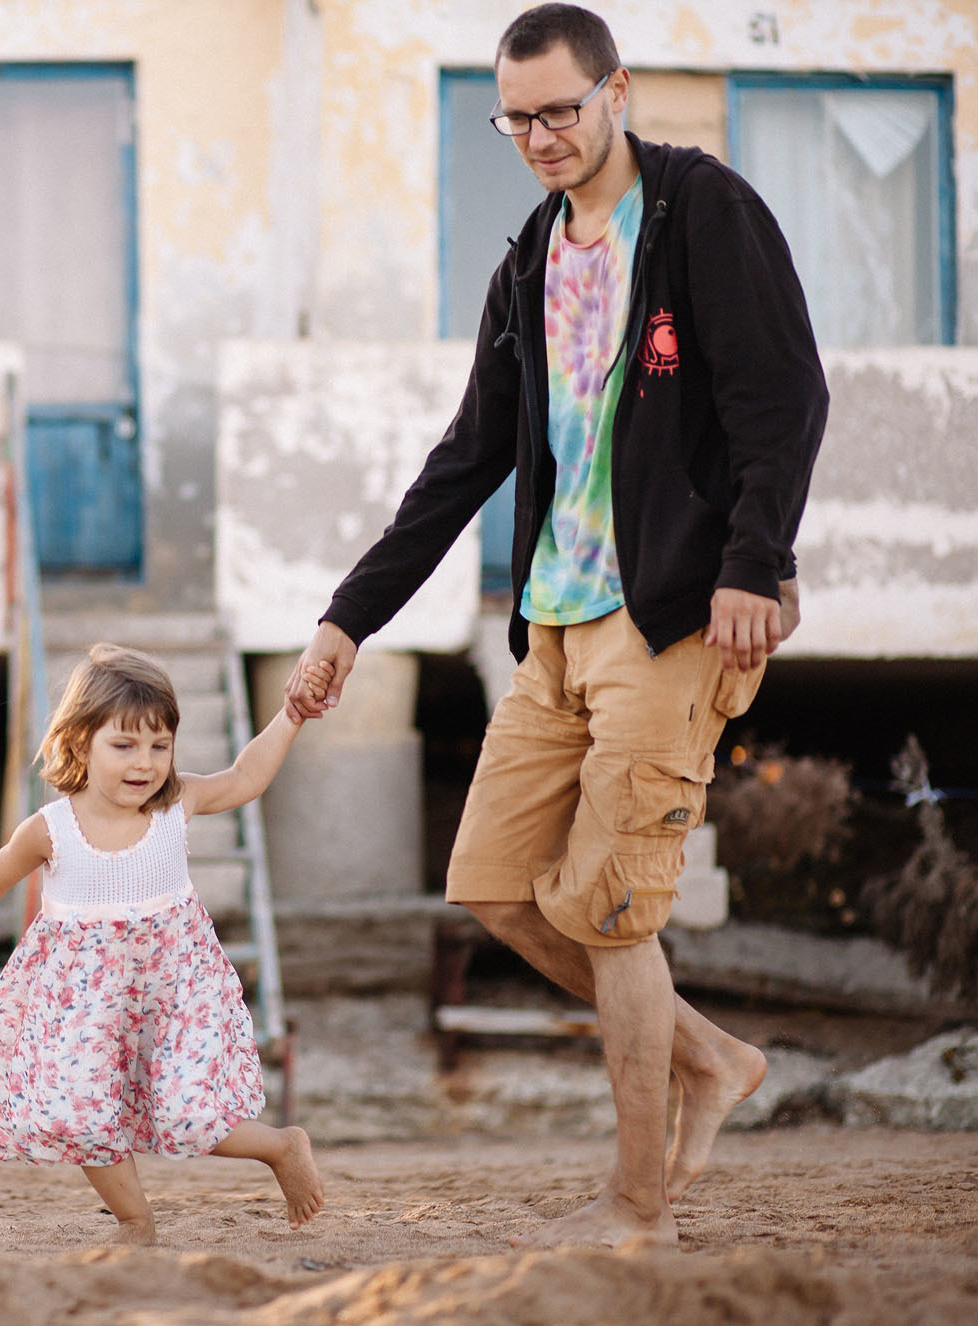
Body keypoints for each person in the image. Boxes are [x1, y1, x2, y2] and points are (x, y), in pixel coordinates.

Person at [284, 4, 827, 1248]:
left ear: (615, 90)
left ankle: (636, 1207)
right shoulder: (528, 259)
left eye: (557, 110)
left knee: (611, 910)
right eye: (513, 117)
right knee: (490, 882)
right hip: (550, 622)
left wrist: (756, 561)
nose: (536, 136)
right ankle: (710, 1060)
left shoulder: (702, 215)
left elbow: (780, 394)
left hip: (671, 616)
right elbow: (466, 455)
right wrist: (346, 618)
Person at [0, 643, 331, 1244]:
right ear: (80, 744)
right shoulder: (51, 829)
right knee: (79, 1113)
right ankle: (136, 1221)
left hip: (176, 990)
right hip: (84, 1003)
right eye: (124, 745)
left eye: (160, 746)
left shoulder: (177, 803)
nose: (146, 763)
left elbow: (245, 777)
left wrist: (290, 715)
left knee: (190, 1114)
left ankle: (282, 1147)